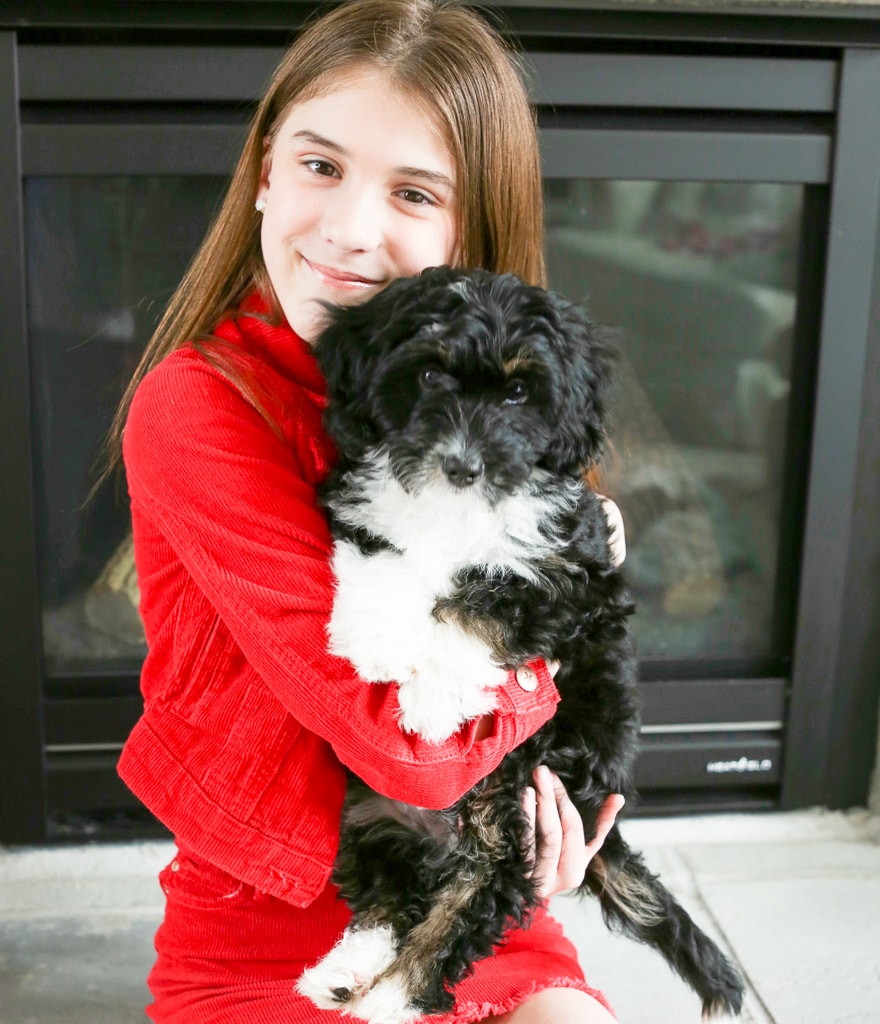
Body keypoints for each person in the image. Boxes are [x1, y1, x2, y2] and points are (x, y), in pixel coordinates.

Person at [108, 1, 626, 1021]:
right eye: (320, 165)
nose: (350, 230)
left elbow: (568, 614)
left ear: (468, 229)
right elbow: (408, 754)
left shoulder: (508, 400)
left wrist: (551, 817)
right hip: (264, 922)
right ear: (264, 170)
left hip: (481, 906)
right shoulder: (197, 408)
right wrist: (544, 662)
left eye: (413, 192)